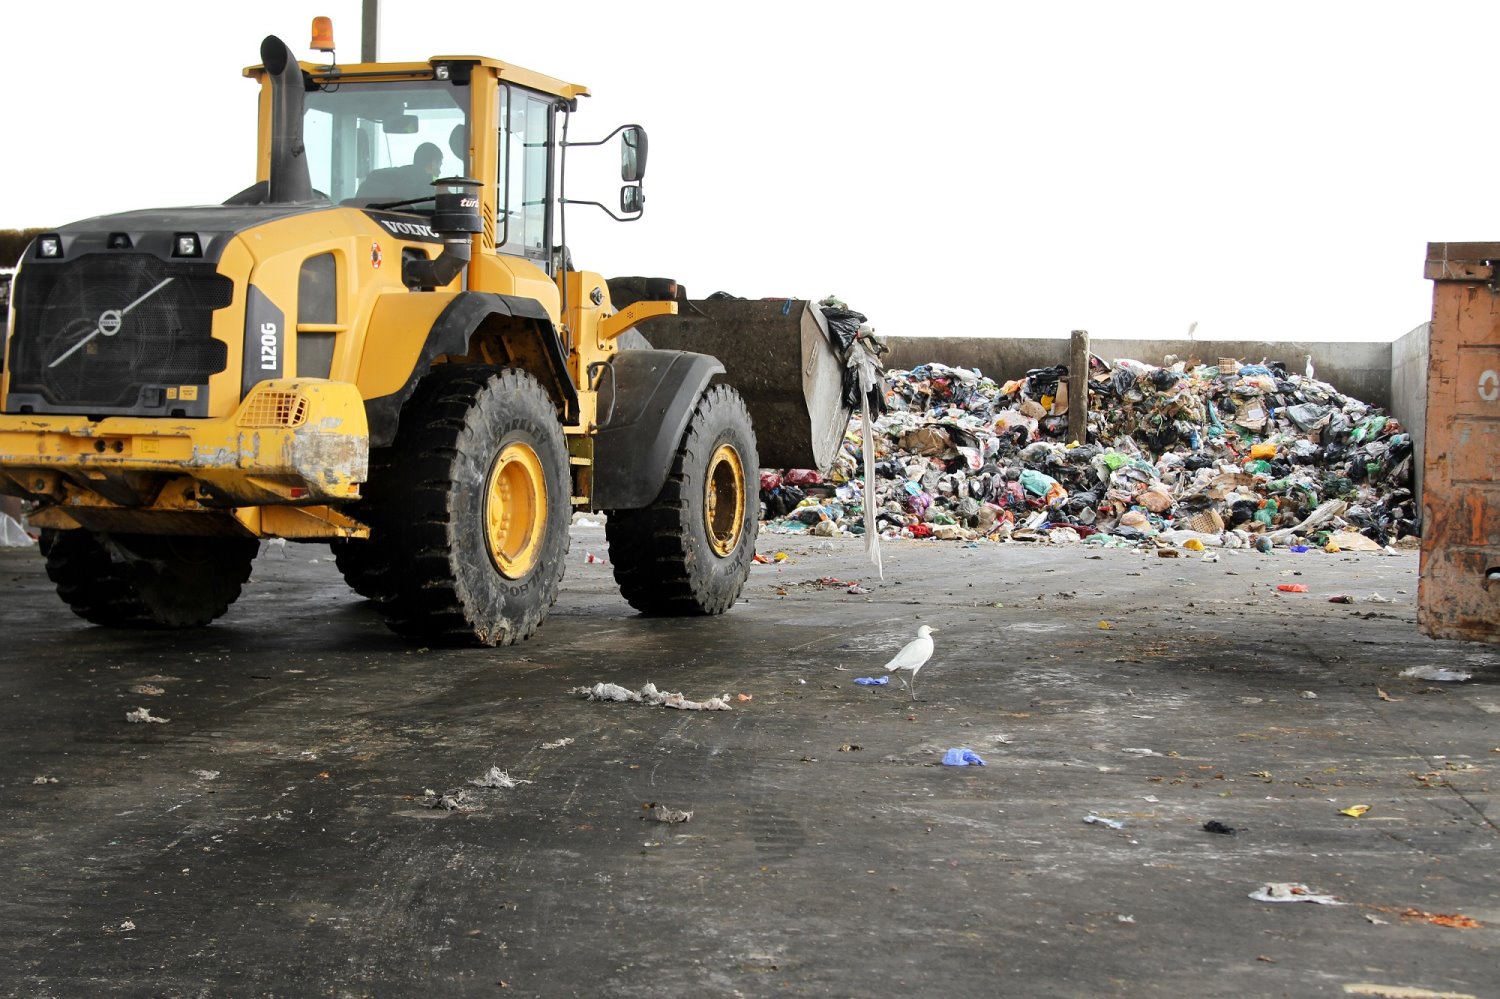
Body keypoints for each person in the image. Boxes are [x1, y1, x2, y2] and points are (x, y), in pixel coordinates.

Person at [356, 142, 445, 200]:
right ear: (433, 163)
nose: (440, 172)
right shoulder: (425, 187)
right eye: (439, 165)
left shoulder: (372, 181)